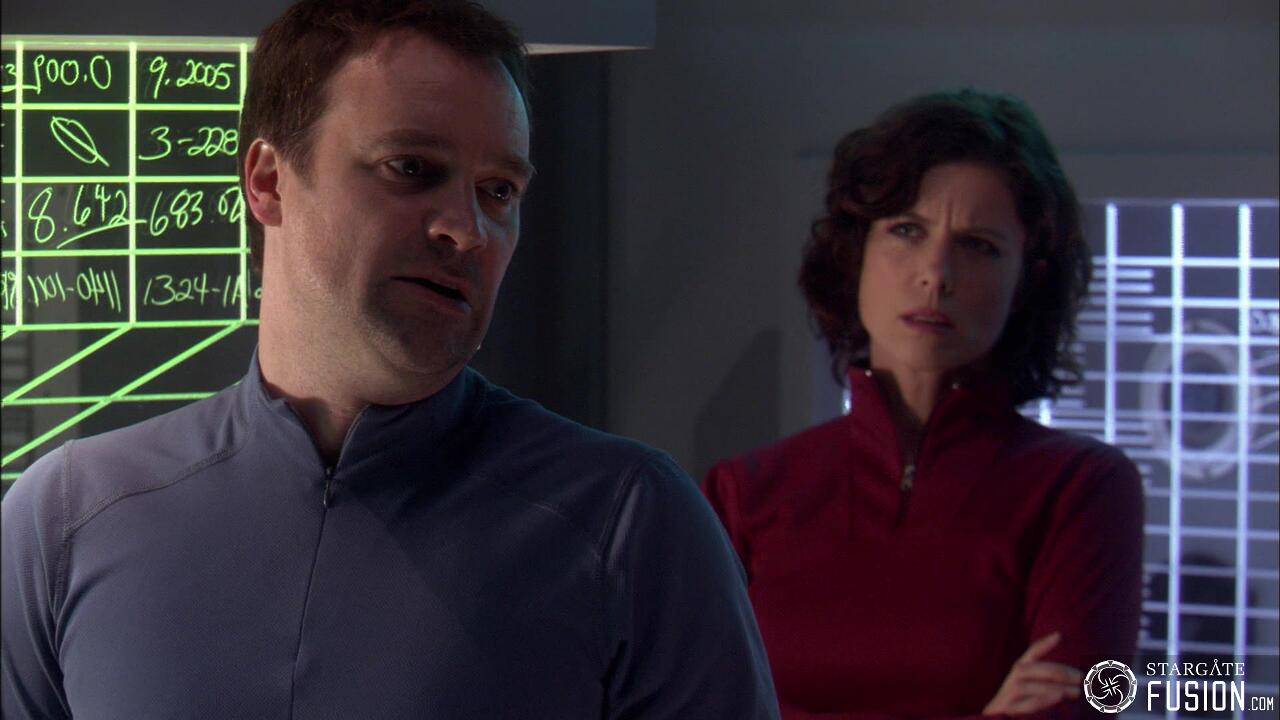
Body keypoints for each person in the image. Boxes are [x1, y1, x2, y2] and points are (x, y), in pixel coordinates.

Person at [1, 2, 779, 718]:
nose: (467, 231)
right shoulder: (65, 522)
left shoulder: (629, 525)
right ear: (268, 181)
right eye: (411, 169)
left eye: (498, 191)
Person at [702, 89, 1143, 719]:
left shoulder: (1081, 489)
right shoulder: (745, 492)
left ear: (1026, 282)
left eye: (979, 245)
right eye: (907, 230)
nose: (937, 273)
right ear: (856, 253)